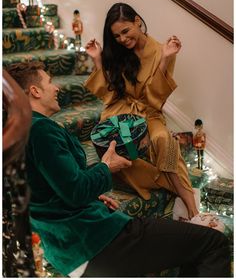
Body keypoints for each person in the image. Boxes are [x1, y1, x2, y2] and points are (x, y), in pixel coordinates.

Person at [6, 61, 230, 277]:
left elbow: (50, 188)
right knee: (214, 242)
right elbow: (74, 191)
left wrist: (93, 193)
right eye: (50, 82)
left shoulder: (16, 133)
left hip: (68, 248)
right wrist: (106, 166)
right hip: (91, 241)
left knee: (191, 246)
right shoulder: (40, 130)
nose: (56, 87)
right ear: (34, 91)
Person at [84, 2, 216, 225]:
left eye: (125, 32)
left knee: (164, 139)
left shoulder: (161, 50)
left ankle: (192, 210)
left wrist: (164, 60)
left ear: (137, 21)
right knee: (121, 147)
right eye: (116, 36)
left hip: (149, 112)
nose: (123, 40)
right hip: (120, 111)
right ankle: (178, 189)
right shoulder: (118, 52)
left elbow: (155, 99)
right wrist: (98, 59)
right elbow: (111, 94)